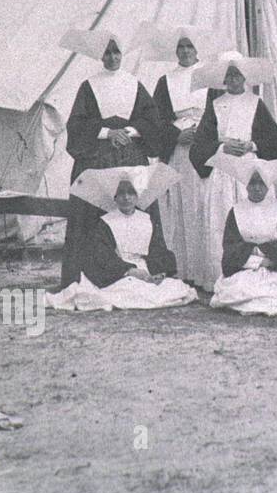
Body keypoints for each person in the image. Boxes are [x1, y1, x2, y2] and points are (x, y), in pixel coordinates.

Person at [59, 28, 162, 288]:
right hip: (97, 157)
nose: (113, 57)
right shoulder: (88, 86)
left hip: (130, 152)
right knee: (92, 213)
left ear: (122, 55)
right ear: (100, 56)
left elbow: (152, 120)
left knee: (133, 207)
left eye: (116, 52)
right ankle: (92, 274)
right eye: (108, 52)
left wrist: (129, 130)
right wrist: (107, 132)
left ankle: (137, 269)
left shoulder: (134, 84)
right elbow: (77, 125)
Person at [188, 53, 277, 290]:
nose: (233, 79)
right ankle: (218, 277)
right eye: (229, 75)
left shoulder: (256, 103)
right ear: (223, 79)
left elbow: (273, 138)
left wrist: (253, 145)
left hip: (248, 169)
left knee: (250, 218)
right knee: (220, 220)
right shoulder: (216, 105)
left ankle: (251, 272)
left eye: (237, 74)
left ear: (245, 77)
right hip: (223, 168)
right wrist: (222, 146)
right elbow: (201, 143)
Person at [48, 165, 196, 312]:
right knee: (129, 290)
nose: (126, 197)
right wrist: (129, 271)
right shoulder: (107, 222)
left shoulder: (146, 220)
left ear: (137, 196)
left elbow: (157, 249)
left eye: (131, 193)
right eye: (122, 193)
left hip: (146, 270)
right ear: (115, 198)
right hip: (120, 272)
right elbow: (103, 255)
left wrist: (159, 271)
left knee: (172, 287)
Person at [142, 25, 225, 286]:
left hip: (204, 149)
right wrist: (176, 136)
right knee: (179, 210)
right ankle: (183, 270)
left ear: (197, 49)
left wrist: (200, 134)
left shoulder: (211, 78)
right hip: (179, 150)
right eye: (181, 47)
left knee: (204, 207)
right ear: (175, 51)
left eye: (190, 47)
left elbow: (220, 113)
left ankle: (205, 271)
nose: (186, 51)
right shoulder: (166, 81)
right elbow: (156, 119)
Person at [208, 153, 277, 317]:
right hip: (245, 268)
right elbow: (230, 246)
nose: (257, 188)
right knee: (235, 290)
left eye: (261, 183)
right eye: (253, 183)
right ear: (246, 185)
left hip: (274, 268)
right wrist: (257, 261)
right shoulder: (236, 211)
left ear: (268, 185)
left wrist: (264, 257)